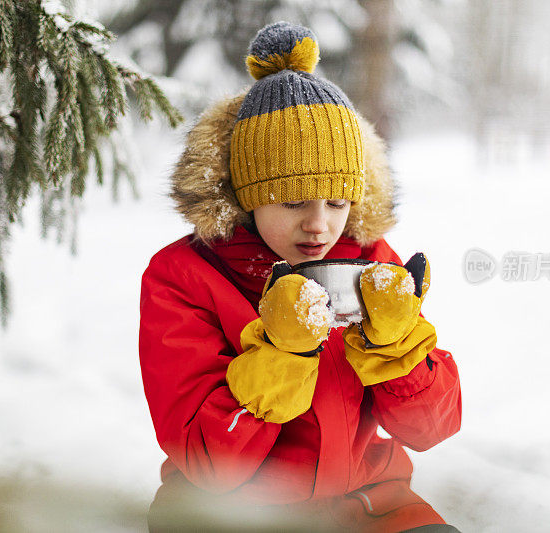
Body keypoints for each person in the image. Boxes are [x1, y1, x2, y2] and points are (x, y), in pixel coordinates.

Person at [139, 22, 462, 532]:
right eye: (292, 202)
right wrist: (281, 355)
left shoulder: (371, 261)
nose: (319, 224)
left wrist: (399, 346)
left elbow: (431, 428)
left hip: (369, 506)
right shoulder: (185, 276)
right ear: (247, 193)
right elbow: (206, 461)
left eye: (337, 202)